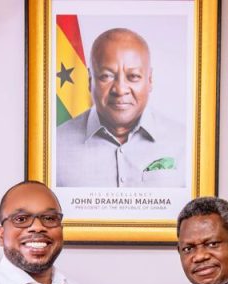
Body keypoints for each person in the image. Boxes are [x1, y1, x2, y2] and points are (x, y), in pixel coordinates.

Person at [56, 27, 186, 188]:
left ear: (150, 79)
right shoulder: (55, 146)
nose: (120, 89)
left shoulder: (184, 142)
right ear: (90, 80)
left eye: (133, 76)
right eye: (106, 76)